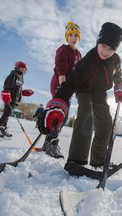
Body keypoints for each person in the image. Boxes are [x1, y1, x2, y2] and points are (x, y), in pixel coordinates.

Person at [36, 22, 122, 171]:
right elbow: (71, 82)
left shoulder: (115, 60)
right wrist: (57, 103)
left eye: (111, 49)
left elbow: (118, 76)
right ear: (98, 42)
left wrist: (120, 87)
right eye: (104, 45)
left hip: (100, 93)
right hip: (83, 89)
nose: (106, 51)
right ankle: (77, 160)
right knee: (86, 115)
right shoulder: (88, 60)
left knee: (106, 124)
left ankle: (98, 160)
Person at [41, 21, 82, 159]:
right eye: (70, 35)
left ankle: (47, 143)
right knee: (59, 114)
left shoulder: (79, 54)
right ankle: (52, 143)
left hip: (68, 87)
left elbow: (78, 74)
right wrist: (63, 89)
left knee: (64, 116)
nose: (73, 37)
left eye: (76, 35)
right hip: (60, 83)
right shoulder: (63, 50)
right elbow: (61, 68)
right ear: (66, 37)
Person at [0, 61, 34, 139]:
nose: (24, 70)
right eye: (22, 68)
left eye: (25, 69)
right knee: (6, 114)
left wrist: (25, 92)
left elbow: (18, 89)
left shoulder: (21, 77)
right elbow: (7, 86)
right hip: (10, 99)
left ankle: (3, 129)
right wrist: (6, 95)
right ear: (18, 67)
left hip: (15, 100)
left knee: (7, 115)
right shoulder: (14, 74)